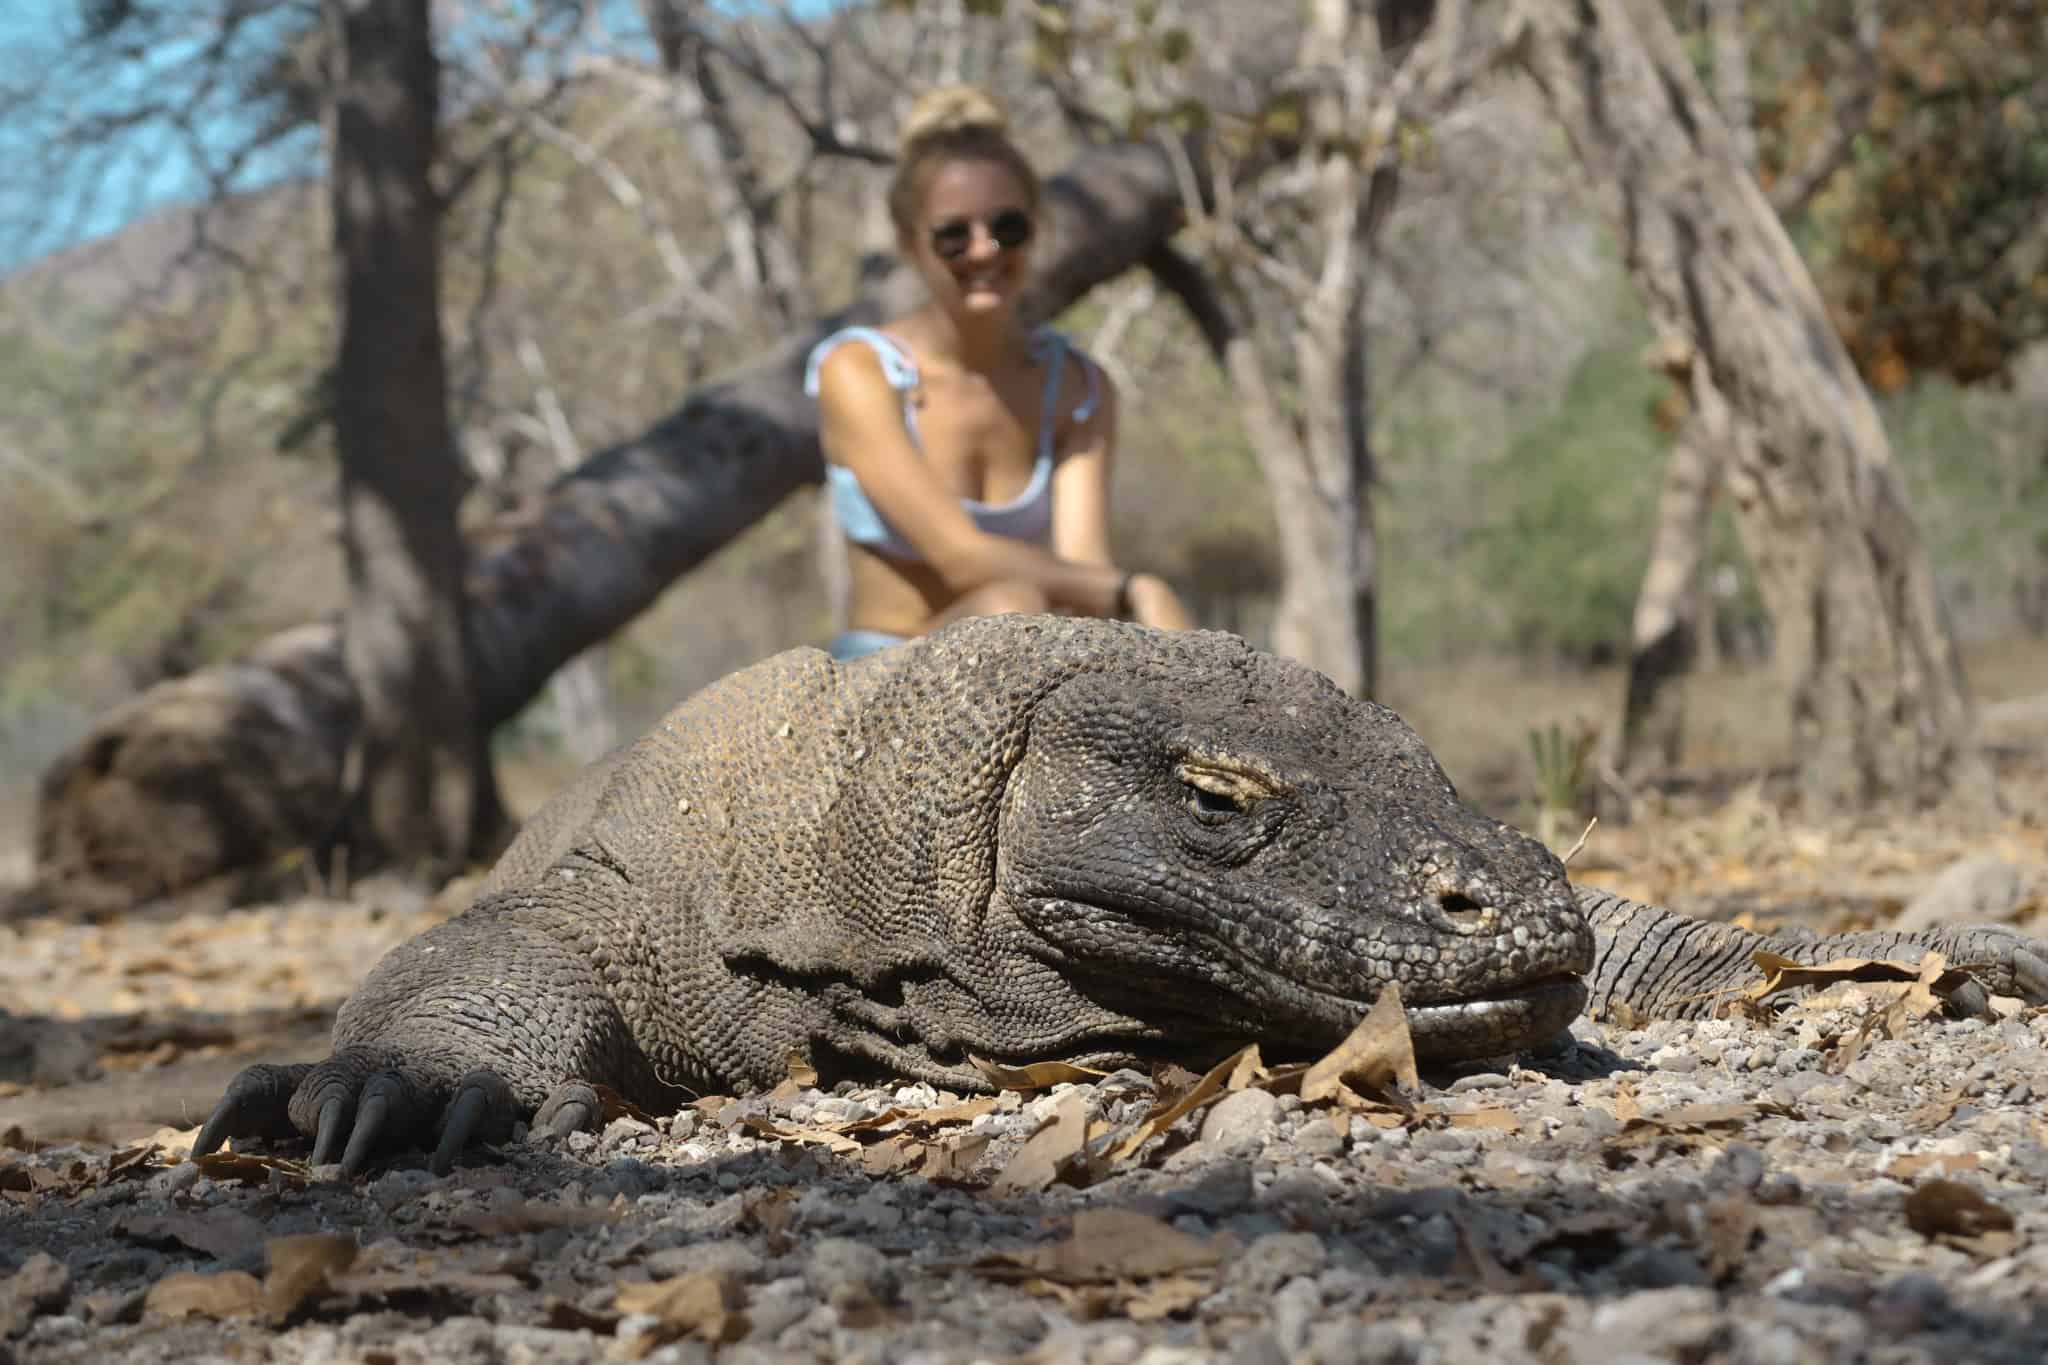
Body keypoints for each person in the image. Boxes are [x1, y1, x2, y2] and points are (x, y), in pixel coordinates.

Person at [804, 84, 1195, 663]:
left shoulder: (1080, 389)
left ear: (1036, 227)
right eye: (953, 234)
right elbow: (959, 555)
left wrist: (1139, 609)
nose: (984, 251)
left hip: (1019, 655)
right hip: (887, 667)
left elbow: (1084, 571)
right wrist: (1135, 590)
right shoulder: (859, 371)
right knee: (1008, 607)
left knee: (1043, 619)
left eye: (1007, 227)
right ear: (912, 244)